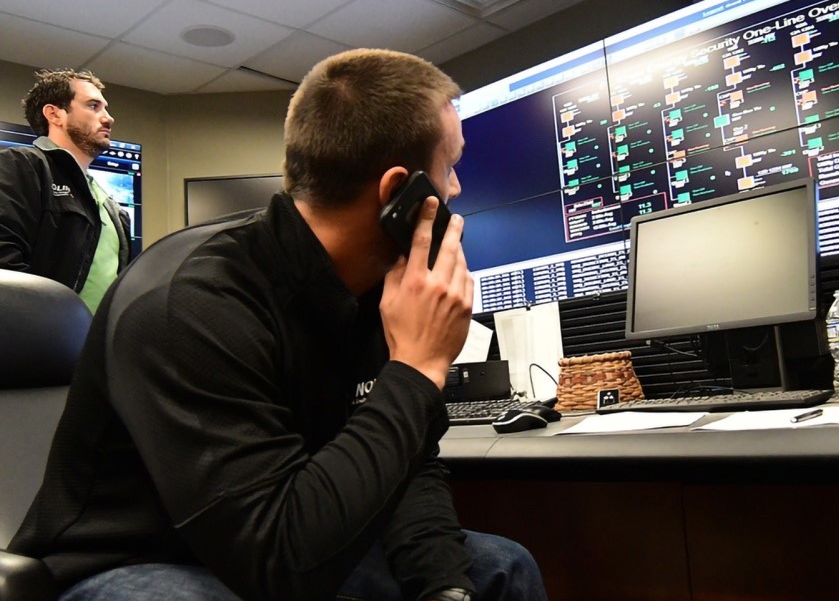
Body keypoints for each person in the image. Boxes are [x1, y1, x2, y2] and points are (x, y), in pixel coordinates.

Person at [10, 49, 548, 601]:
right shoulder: (192, 303)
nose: (455, 189)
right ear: (397, 194)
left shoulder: (374, 291)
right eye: (449, 166)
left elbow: (404, 469)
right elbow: (279, 567)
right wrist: (416, 367)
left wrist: (443, 588)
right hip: (130, 561)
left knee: (500, 570)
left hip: (276, 530)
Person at [0, 68, 130, 313]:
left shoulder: (112, 208)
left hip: (96, 346)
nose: (108, 118)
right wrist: (45, 325)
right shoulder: (20, 166)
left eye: (106, 108)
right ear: (54, 114)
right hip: (38, 341)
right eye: (93, 106)